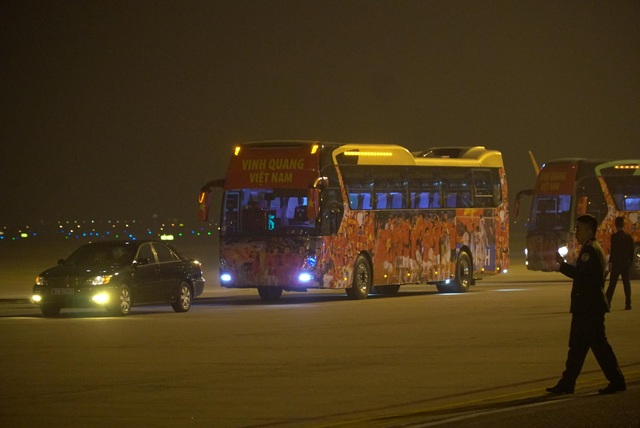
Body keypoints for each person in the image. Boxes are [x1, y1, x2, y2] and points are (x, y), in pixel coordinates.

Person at [546, 214, 626, 395]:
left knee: (599, 345)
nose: (576, 234)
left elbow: (581, 275)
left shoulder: (590, 250)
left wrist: (562, 265)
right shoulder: (591, 248)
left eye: (579, 229)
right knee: (577, 347)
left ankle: (617, 380)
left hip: (590, 307)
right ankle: (567, 382)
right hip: (586, 307)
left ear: (589, 230)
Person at [606, 216, 634, 310]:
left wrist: (610, 263)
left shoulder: (614, 237)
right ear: (623, 225)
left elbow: (613, 251)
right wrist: (630, 261)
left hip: (616, 264)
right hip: (625, 263)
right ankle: (628, 303)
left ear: (615, 225)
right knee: (626, 284)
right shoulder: (628, 237)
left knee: (612, 284)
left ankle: (607, 303)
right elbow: (631, 251)